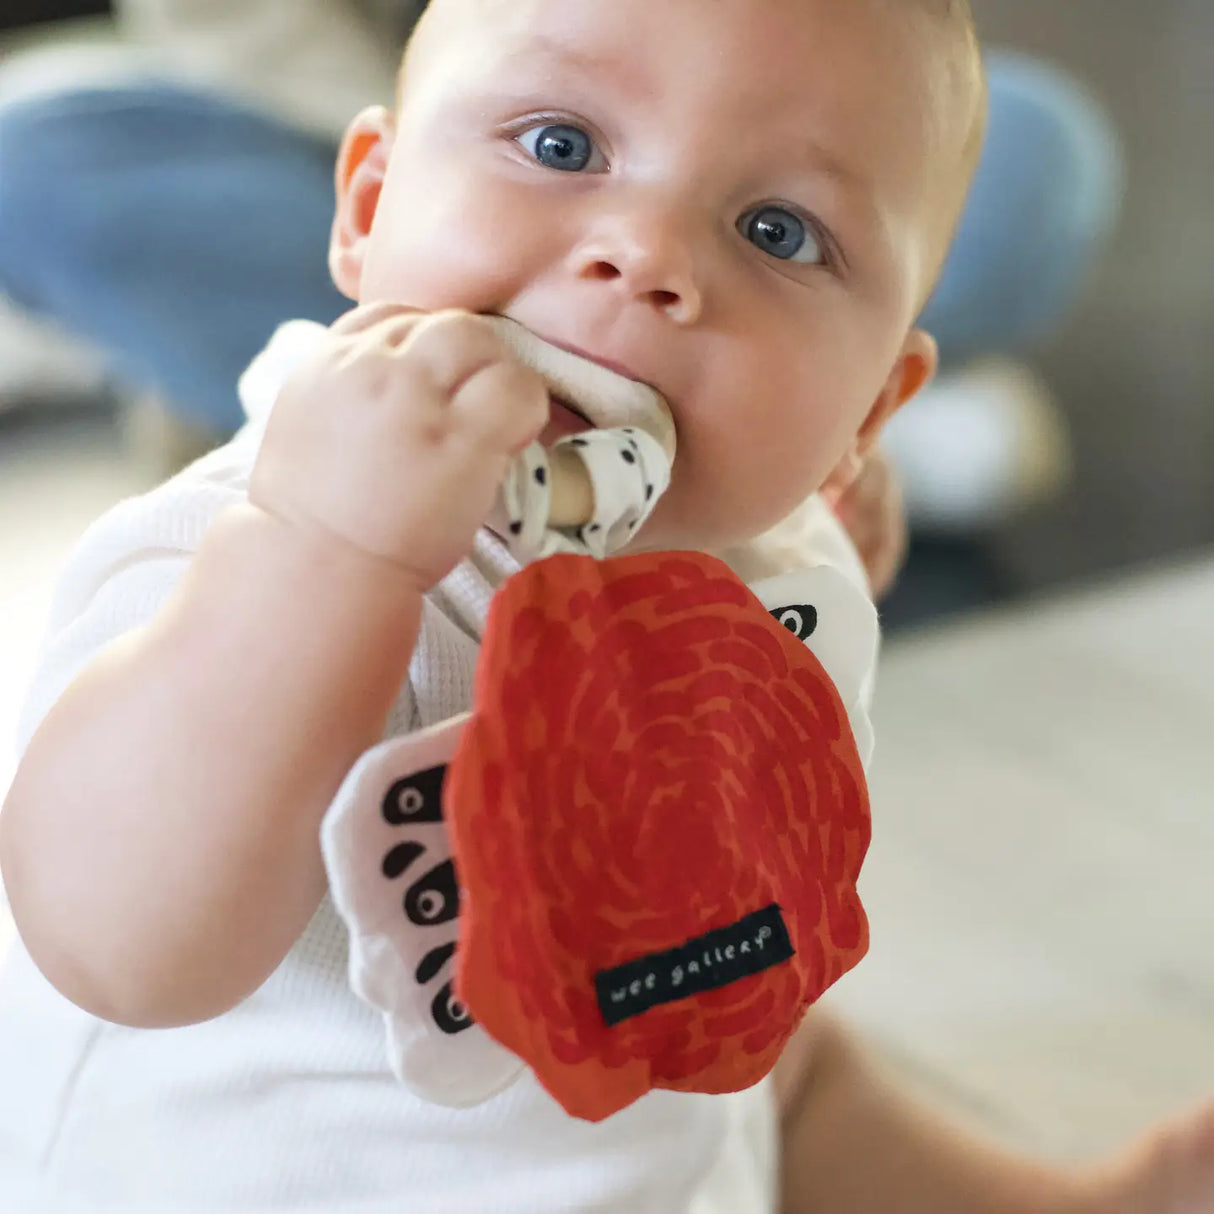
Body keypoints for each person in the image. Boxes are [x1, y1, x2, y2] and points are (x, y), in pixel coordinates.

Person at [0, 0, 1209, 1210]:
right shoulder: (251, 535)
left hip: (654, 1071)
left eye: (776, 230)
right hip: (281, 1179)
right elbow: (119, 949)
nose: (647, 257)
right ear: (368, 210)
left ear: (865, 413)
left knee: (791, 1068)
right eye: (560, 146)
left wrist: (818, 532)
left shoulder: (753, 537)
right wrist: (324, 551)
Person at [0, 0, 1120, 506]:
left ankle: (765, 429)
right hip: (331, 116)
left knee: (1032, 147)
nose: (640, 254)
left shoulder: (779, 619)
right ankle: (766, 427)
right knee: (36, 161)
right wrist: (509, 129)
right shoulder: (233, 553)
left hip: (721, 88)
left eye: (775, 236)